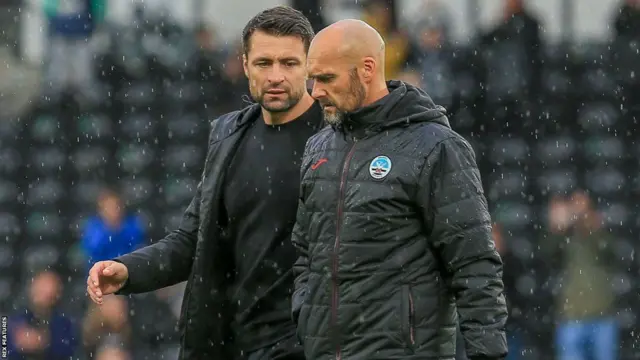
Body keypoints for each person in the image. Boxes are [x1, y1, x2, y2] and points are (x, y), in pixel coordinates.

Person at [85, 6, 323, 360]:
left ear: (309, 65)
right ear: (245, 65)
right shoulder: (229, 136)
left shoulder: (337, 136)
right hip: (235, 342)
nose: (276, 75)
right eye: (263, 63)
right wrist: (129, 270)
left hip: (308, 343)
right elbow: (193, 240)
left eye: (289, 63)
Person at [292, 19, 508, 360]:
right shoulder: (318, 148)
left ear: (367, 69)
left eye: (326, 78)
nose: (315, 91)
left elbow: (473, 262)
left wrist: (487, 353)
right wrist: (305, 312)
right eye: (312, 78)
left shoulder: (436, 147)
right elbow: (305, 250)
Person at [6, 270, 78, 360]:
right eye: (41, 288)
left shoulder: (65, 321)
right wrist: (17, 344)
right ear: (31, 288)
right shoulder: (13, 316)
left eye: (51, 287)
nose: (47, 292)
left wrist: (44, 342)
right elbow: (4, 350)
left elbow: (69, 349)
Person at [81, 187, 145, 270]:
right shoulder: (93, 228)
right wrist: (110, 231)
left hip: (127, 271)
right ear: (101, 210)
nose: (113, 211)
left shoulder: (132, 226)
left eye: (116, 207)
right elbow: (92, 251)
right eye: (109, 207)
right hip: (100, 272)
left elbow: (138, 250)